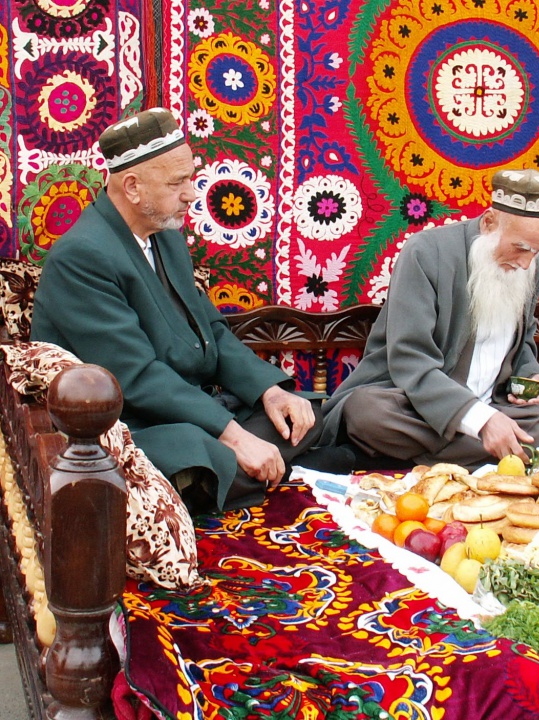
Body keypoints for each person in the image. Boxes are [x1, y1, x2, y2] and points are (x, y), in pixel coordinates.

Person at [32, 107, 350, 512]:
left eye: (191, 177)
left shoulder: (164, 234)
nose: (192, 194)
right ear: (132, 187)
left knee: (301, 413)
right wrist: (233, 436)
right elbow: (136, 377)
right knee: (197, 454)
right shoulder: (81, 257)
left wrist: (269, 391)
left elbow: (211, 330)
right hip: (130, 422)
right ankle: (264, 470)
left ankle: (253, 470)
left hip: (189, 401)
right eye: (177, 182)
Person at [320, 168, 539, 468]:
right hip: (419, 403)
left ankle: (388, 457)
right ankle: (485, 452)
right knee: (366, 412)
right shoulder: (425, 252)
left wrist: (531, 377)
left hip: (493, 405)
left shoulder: (530, 266)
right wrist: (481, 420)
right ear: (489, 223)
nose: (526, 263)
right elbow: (409, 358)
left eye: (537, 251)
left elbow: (523, 341)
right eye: (521, 248)